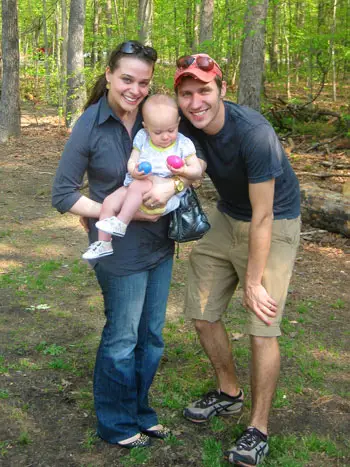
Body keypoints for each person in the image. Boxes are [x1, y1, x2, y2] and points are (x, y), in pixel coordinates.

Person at [52, 41, 191, 449]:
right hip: (119, 250)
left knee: (152, 337)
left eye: (143, 82)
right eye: (127, 79)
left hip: (161, 245)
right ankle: (115, 423)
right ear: (110, 74)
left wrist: (175, 184)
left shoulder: (157, 119)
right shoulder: (90, 125)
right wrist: (111, 214)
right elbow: (61, 195)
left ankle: (140, 413)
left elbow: (186, 166)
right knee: (123, 338)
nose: (135, 89)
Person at [174, 54, 301, 466]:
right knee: (202, 311)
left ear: (222, 90)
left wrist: (252, 280)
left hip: (273, 220)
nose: (195, 102)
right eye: (186, 94)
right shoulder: (182, 122)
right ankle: (228, 393)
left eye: (204, 91)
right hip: (227, 214)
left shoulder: (255, 134)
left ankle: (258, 428)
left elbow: (263, 215)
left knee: (262, 324)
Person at [82, 94, 202, 260]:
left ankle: (122, 223)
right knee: (109, 202)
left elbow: (197, 171)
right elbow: (133, 161)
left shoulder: (183, 144)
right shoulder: (142, 138)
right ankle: (104, 243)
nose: (166, 136)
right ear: (146, 127)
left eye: (171, 130)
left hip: (161, 195)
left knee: (137, 186)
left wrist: (183, 170)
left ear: (178, 123)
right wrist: (134, 171)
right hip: (136, 185)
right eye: (158, 132)